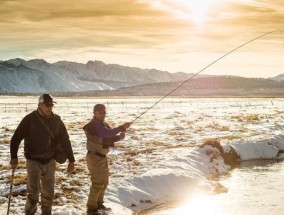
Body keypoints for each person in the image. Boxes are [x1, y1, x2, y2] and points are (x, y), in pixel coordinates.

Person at [10, 94, 75, 215]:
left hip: (50, 161)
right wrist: (14, 157)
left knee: (48, 194)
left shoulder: (57, 120)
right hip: (33, 161)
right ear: (39, 104)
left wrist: (71, 160)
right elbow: (15, 139)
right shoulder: (29, 119)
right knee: (33, 195)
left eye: (51, 105)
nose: (50, 107)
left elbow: (65, 140)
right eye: (47, 105)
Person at [83, 104, 131, 215]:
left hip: (102, 157)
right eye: (100, 112)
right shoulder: (93, 125)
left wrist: (119, 137)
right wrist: (122, 127)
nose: (103, 114)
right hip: (94, 157)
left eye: (104, 112)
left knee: (104, 182)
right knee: (97, 183)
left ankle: (99, 204)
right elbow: (106, 133)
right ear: (94, 113)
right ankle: (91, 209)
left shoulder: (103, 124)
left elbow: (109, 137)